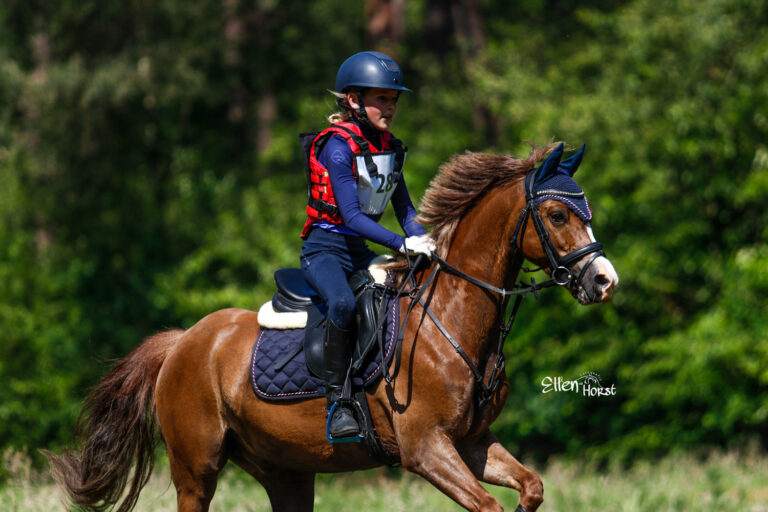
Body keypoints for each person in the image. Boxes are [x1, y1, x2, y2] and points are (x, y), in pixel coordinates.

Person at [299, 51, 434, 438]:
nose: (389, 108)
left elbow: (406, 211)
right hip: (323, 250)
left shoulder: (389, 147)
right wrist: (402, 244)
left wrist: (424, 237)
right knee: (341, 303)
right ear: (354, 100)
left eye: (393, 100)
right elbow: (354, 217)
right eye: (381, 99)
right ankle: (338, 403)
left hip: (359, 250)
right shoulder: (337, 147)